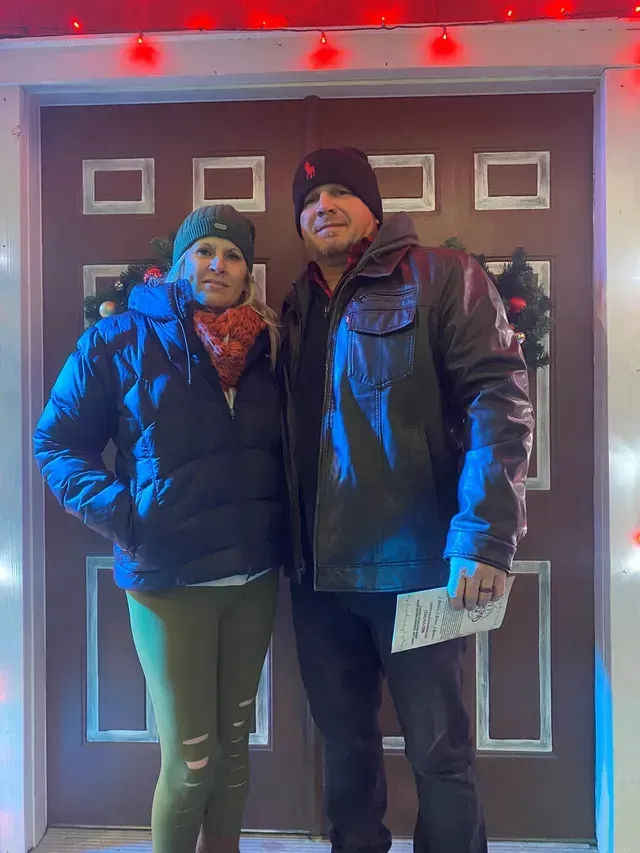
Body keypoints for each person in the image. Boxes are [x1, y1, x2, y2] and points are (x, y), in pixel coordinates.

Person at [279, 147, 534, 853]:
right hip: (317, 580)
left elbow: (499, 398)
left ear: (372, 206)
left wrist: (484, 534)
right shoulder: (296, 305)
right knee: (345, 749)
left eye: (338, 192)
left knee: (439, 754)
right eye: (308, 199)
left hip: (416, 567)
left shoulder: (443, 277)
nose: (322, 206)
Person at [34, 205, 285, 853]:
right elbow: (57, 442)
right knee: (191, 761)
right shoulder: (117, 341)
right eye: (204, 252)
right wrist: (123, 515)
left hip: (254, 577)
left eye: (231, 256)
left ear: (246, 272)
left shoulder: (271, 344)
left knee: (234, 758)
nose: (218, 266)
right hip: (170, 582)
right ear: (180, 263)